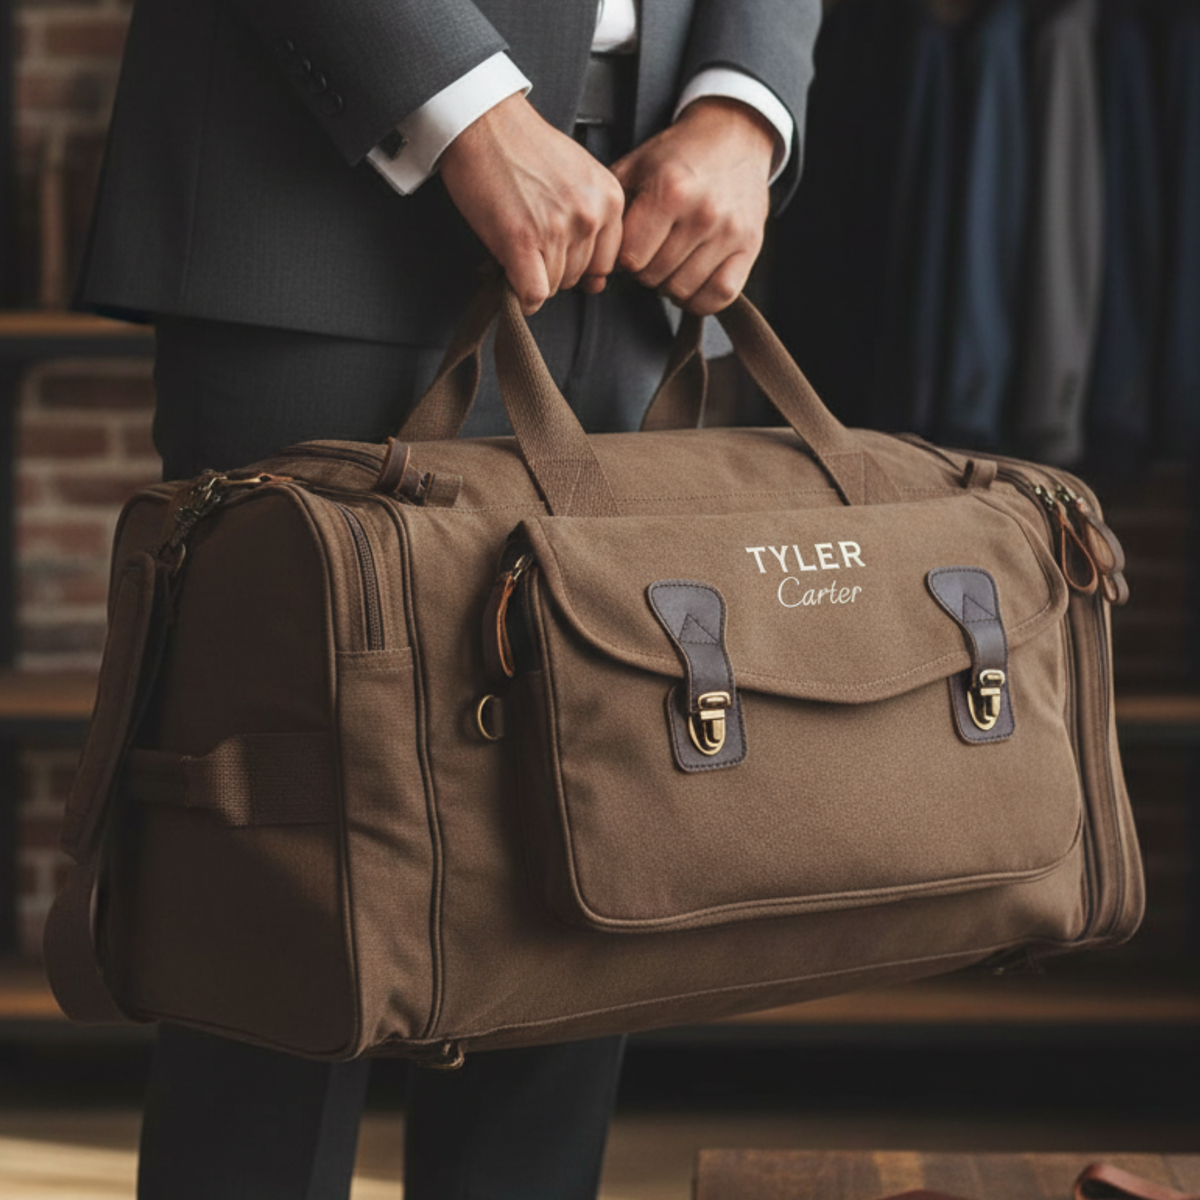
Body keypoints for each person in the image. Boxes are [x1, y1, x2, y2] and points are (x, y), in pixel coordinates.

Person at [74, 1, 822, 1196]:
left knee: (585, 876)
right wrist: (466, 106)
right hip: (312, 196)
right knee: (280, 905)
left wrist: (744, 104)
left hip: (644, 209)